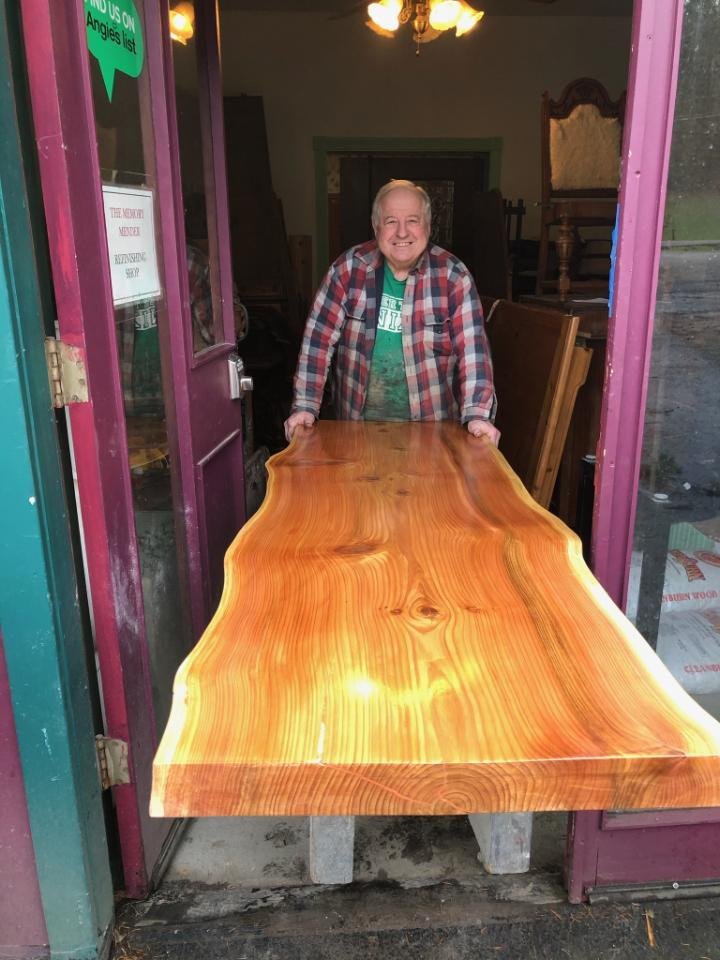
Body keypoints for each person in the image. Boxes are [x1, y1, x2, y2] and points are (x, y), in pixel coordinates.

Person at [283, 179, 499, 444]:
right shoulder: (347, 270)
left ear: (428, 226)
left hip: (433, 437)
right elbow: (318, 341)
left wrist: (477, 415)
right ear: (376, 227)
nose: (402, 232)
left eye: (412, 220)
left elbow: (473, 351)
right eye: (390, 221)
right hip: (357, 433)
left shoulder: (454, 276)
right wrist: (305, 406)